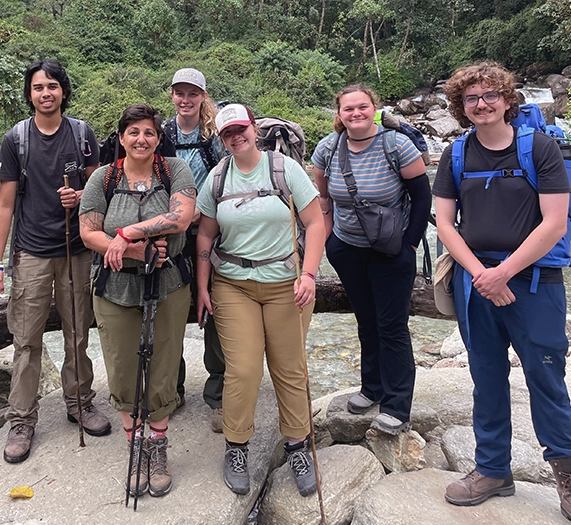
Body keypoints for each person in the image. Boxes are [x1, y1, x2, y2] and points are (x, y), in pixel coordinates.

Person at [433, 62, 571, 518]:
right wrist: (480, 275)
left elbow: (554, 223)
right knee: (486, 380)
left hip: (533, 282)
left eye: (490, 95)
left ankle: (566, 477)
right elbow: (445, 224)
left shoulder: (542, 148)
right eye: (471, 98)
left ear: (508, 100)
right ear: (461, 107)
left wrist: (503, 273)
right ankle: (493, 470)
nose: (482, 104)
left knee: (547, 379)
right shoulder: (455, 155)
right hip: (477, 284)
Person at [196, 103, 324, 497]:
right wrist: (202, 287)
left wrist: (309, 274)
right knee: (244, 369)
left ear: (254, 128)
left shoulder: (285, 170)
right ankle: (237, 447)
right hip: (234, 285)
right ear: (221, 139)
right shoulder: (218, 178)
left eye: (241, 129)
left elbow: (316, 221)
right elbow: (204, 236)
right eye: (227, 133)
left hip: (288, 284)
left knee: (289, 368)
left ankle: (299, 444)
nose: (236, 137)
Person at [0, 59, 107, 465]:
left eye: (52, 86)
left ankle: (80, 402)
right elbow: (4, 203)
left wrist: (82, 196)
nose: (46, 93)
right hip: (32, 252)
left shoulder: (81, 133)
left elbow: (100, 184)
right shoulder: (17, 138)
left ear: (64, 91)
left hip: (76, 249)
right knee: (26, 339)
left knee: (77, 333)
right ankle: (22, 419)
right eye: (38, 87)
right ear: (30, 94)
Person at [79, 103, 196, 498]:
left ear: (158, 139)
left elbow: (180, 218)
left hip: (168, 284)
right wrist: (132, 251)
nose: (141, 139)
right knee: (122, 365)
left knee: (163, 364)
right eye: (134, 133)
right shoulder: (104, 178)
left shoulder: (174, 171)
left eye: (149, 133)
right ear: (122, 138)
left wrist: (128, 232)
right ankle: (135, 447)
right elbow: (87, 231)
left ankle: (158, 447)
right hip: (115, 287)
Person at [311, 84, 430, 435]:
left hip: (391, 250)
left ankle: (397, 405)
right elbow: (323, 199)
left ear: (374, 108)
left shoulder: (396, 145)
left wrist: (409, 244)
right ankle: (372, 388)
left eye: (362, 107)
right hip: (348, 249)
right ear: (340, 113)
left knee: (392, 326)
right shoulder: (328, 149)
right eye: (348, 109)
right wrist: (330, 240)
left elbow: (422, 198)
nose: (356, 114)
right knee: (366, 320)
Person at [163, 67, 226, 431]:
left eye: (193, 94)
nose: (186, 100)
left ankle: (217, 395)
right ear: (172, 94)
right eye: (180, 93)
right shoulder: (164, 132)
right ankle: (172, 389)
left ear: (203, 96)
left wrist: (203, 208)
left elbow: (227, 174)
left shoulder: (214, 134)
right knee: (170, 311)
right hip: (173, 232)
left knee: (216, 310)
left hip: (212, 229)